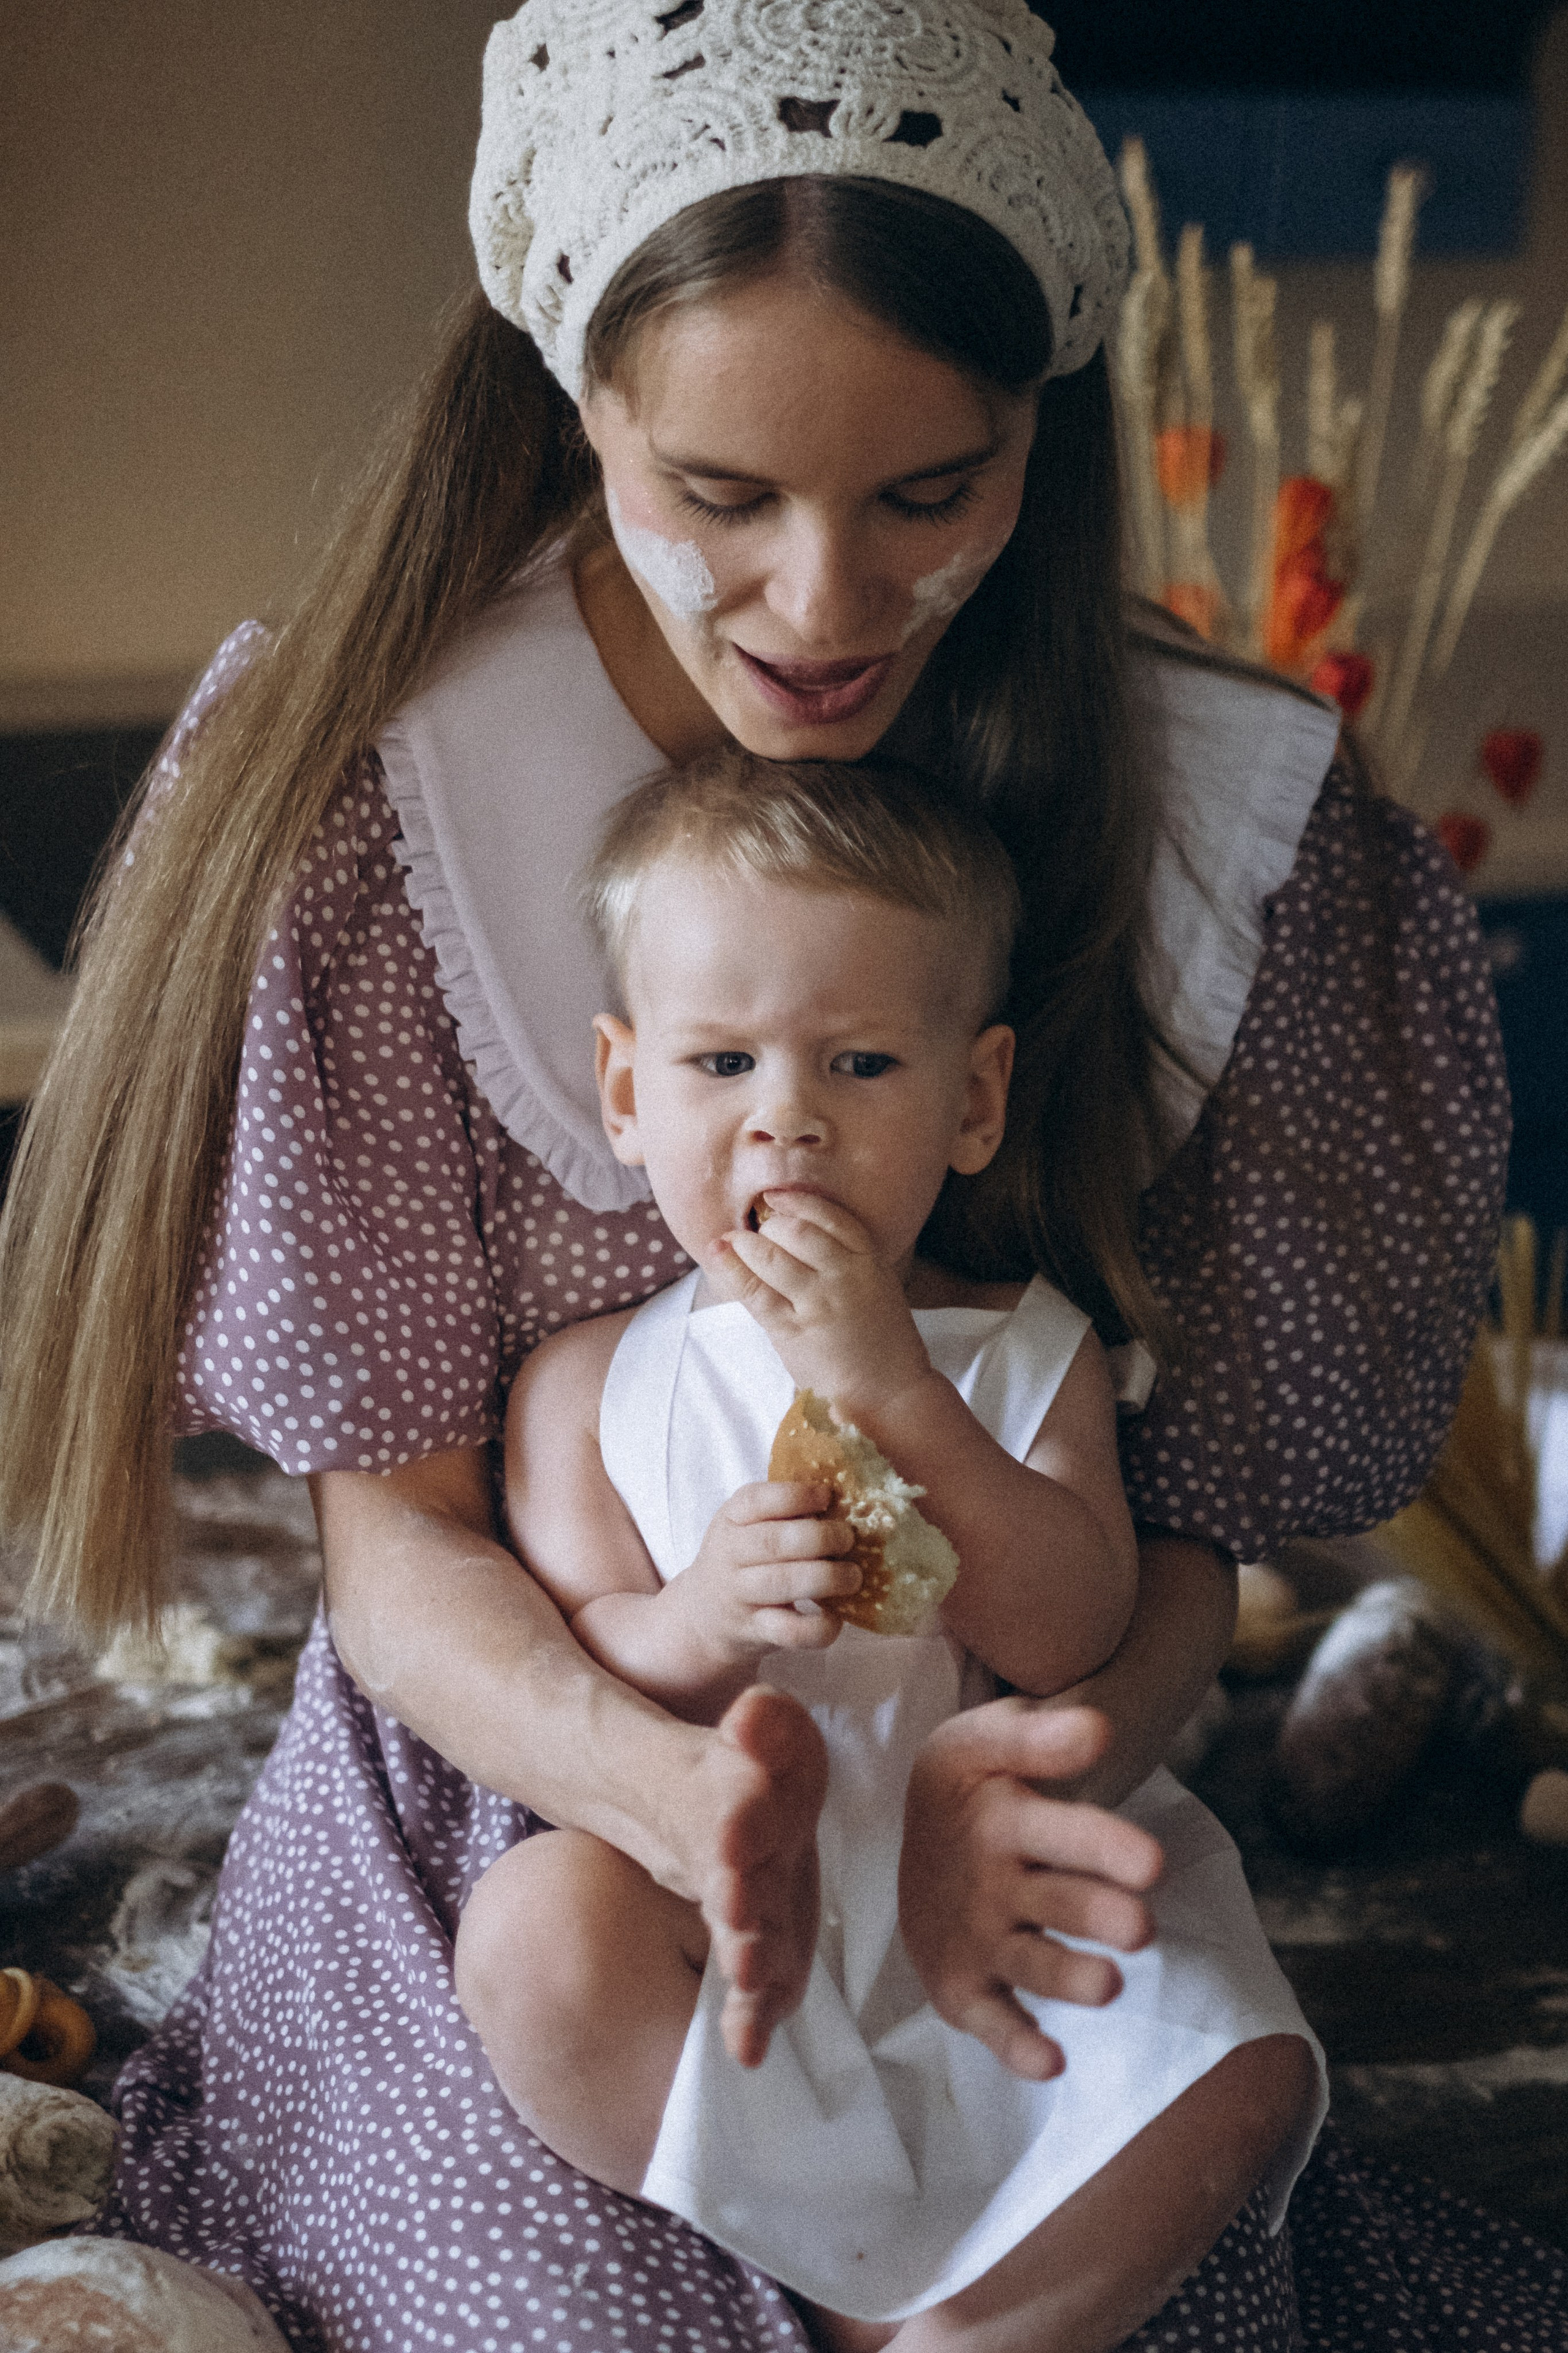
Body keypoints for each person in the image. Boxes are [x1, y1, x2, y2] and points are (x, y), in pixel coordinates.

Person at [0, 4, 1539, 2350]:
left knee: (1180, 2230)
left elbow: (1176, 1537)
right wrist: (676, 1785)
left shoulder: (1238, 835)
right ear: (574, 390)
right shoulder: (375, 816)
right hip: (536, 1779)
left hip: (992, 1764)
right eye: (721, 492)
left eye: (933, 489)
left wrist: (1041, 1773)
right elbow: (397, 1543)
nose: (825, 607)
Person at [457, 749, 1325, 2344]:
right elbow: (587, 1646)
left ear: (974, 1099)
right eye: (722, 1061)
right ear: (627, 1090)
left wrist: (899, 1391)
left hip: (1006, 1906)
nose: (785, 1117)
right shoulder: (588, 1385)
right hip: (733, 1928)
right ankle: (833, 2255)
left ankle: (960, 2322)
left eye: (859, 1063)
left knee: (1255, 2066)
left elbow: (1075, 1624)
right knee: (530, 1931)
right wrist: (704, 1613)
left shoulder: (1023, 1351)